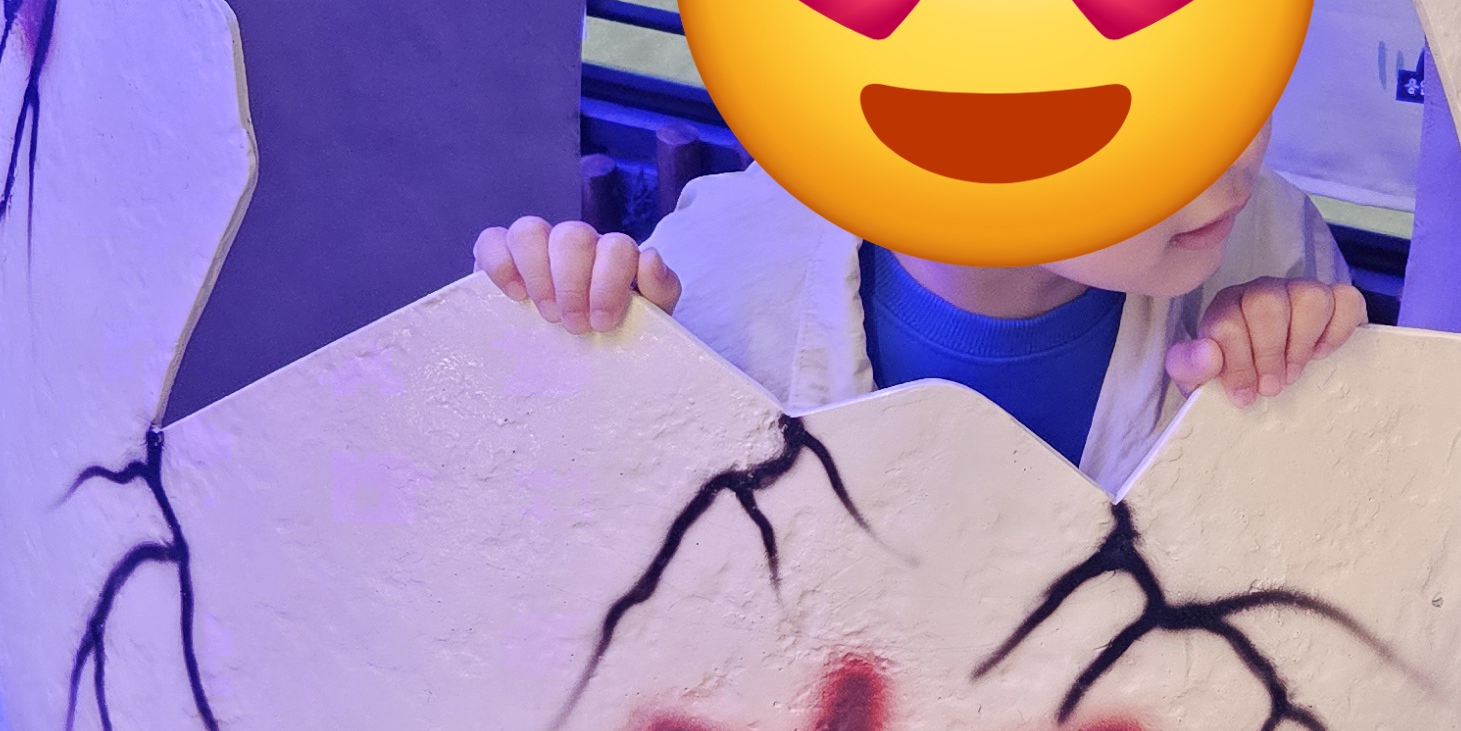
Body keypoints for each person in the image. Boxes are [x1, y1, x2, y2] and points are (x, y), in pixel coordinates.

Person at [472, 136, 1368, 494]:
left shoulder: (1272, 246)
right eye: (1158, 111)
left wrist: (1306, 377)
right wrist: (580, 337)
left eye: (1247, 61)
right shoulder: (720, 268)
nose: (1239, 145)